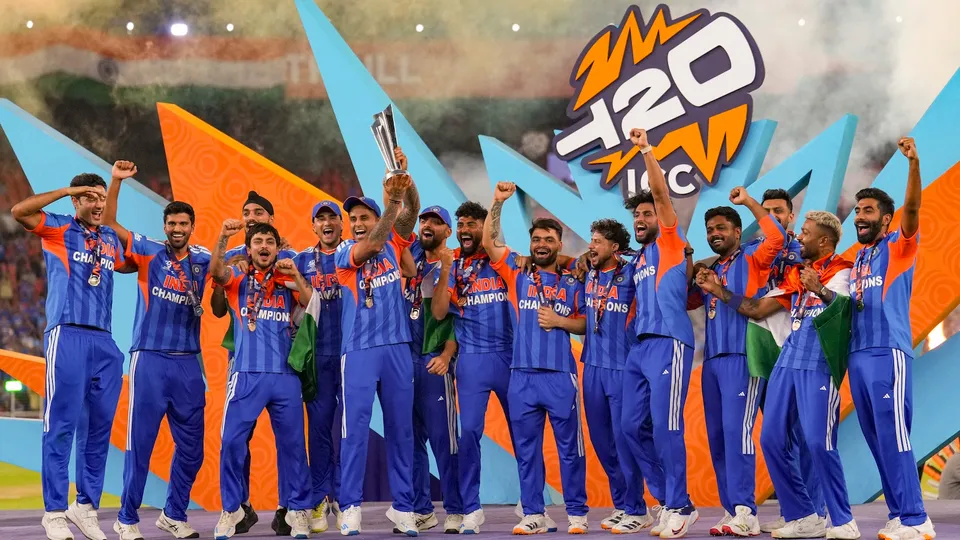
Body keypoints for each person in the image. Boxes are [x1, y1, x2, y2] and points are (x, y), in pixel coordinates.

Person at [698, 211, 861, 539]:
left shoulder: (842, 269)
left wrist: (823, 292)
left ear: (824, 241)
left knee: (817, 441)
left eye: (805, 233)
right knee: (771, 438)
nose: (799, 238)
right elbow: (756, 309)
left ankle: (843, 520)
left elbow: (846, 312)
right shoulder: (798, 276)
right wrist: (718, 291)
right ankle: (804, 515)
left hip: (817, 361)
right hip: (788, 359)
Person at [13, 172, 126, 540]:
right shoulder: (58, 228)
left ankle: (86, 506)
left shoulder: (110, 238)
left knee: (98, 431)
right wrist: (65, 190)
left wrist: (116, 184)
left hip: (105, 342)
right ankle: (55, 512)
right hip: (67, 333)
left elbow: (135, 261)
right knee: (61, 426)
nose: (97, 204)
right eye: (89, 198)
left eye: (101, 198)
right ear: (76, 202)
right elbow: (19, 211)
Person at [103, 161, 209, 540]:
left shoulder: (203, 260)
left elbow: (234, 269)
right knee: (140, 444)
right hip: (149, 358)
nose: (177, 229)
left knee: (193, 449)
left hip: (187, 365)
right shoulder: (148, 251)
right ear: (165, 226)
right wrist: (116, 182)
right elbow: (111, 224)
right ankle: (126, 518)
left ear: (192, 227)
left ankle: (174, 513)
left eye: (184, 224)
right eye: (172, 224)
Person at [482, 182, 590, 535]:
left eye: (548, 240)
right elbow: (489, 243)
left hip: (560, 375)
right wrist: (497, 202)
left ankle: (576, 512)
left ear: (560, 244)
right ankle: (534, 513)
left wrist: (560, 321)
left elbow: (587, 322)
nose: (541, 245)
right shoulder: (517, 271)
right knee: (526, 450)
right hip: (522, 376)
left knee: (569, 449)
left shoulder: (575, 280)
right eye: (536, 240)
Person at [847, 137, 935, 540]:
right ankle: (899, 514)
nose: (859, 217)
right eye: (858, 211)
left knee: (895, 433)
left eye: (868, 212)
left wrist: (913, 164)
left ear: (886, 220)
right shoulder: (860, 256)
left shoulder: (899, 246)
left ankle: (917, 519)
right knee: (877, 439)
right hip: (858, 356)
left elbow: (913, 209)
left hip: (888, 353)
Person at [431, 202, 535, 534]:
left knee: (523, 432)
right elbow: (438, 314)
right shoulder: (454, 266)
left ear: (484, 229)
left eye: (471, 224)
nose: (464, 229)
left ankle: (531, 501)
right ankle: (471, 508)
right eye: (460, 224)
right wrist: (445, 270)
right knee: (470, 432)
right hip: (472, 360)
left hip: (508, 357)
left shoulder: (502, 261)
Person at [335, 147, 421, 536]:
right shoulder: (342, 252)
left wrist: (405, 177)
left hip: (397, 347)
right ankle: (350, 505)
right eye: (351, 218)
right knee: (355, 430)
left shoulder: (396, 244)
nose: (355, 223)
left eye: (362, 217)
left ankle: (404, 508)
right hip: (359, 351)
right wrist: (393, 200)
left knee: (402, 429)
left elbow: (411, 213)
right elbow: (371, 244)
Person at [210, 221, 314, 540]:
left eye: (270, 241)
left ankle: (297, 511)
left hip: (285, 376)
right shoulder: (237, 275)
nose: (264, 246)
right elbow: (216, 273)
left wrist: (296, 276)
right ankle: (232, 509)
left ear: (277, 247)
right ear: (249, 247)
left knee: (294, 447)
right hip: (246, 375)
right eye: (258, 241)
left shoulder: (288, 276)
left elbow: (313, 305)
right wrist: (225, 238)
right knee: (230, 442)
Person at [690, 188, 785, 536]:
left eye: (721, 228)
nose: (715, 234)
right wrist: (693, 272)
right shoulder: (712, 268)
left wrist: (746, 202)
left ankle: (746, 510)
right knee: (716, 437)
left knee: (736, 433)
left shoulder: (753, 257)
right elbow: (687, 302)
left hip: (744, 357)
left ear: (735, 231)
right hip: (712, 360)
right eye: (710, 230)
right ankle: (732, 511)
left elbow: (777, 235)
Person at [621, 128, 697, 538]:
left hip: (670, 343)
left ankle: (681, 504)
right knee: (631, 427)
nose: (641, 219)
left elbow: (661, 193)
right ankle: (669, 498)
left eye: (647, 213)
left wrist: (647, 151)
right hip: (639, 350)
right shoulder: (636, 260)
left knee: (667, 426)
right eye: (637, 215)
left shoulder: (671, 241)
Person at [747, 189, 826, 534]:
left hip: (796, 346)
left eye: (779, 211)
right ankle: (795, 509)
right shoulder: (754, 251)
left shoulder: (801, 253)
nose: (774, 216)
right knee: (778, 434)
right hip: (763, 348)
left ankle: (815, 509)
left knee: (806, 432)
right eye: (767, 212)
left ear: (791, 217)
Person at [581, 218, 666, 534]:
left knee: (625, 440)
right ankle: (624, 504)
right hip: (591, 366)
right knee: (602, 443)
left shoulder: (631, 274)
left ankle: (638, 507)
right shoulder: (587, 273)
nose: (591, 246)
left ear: (614, 248)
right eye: (591, 240)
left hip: (622, 368)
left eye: (598, 241)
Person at [403, 205, 463, 533]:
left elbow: (457, 316)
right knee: (409, 441)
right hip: (403, 362)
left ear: (447, 231)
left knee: (444, 440)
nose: (428, 225)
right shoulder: (412, 250)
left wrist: (448, 353)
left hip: (432, 360)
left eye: (436, 222)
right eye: (425, 220)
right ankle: (421, 510)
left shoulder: (455, 264)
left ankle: (455, 508)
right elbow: (400, 223)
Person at [293, 201, 346, 534]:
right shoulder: (300, 261)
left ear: (341, 224)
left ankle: (343, 498)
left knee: (346, 432)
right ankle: (317, 500)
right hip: (318, 359)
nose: (326, 223)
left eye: (332, 218)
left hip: (352, 355)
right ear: (313, 226)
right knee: (319, 431)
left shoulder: (354, 256)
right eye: (320, 218)